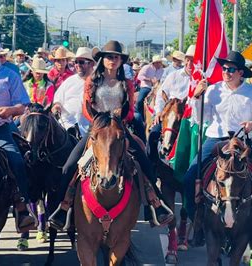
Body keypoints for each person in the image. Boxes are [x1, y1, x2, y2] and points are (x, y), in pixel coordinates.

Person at [48, 40, 173, 230]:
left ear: (121, 61)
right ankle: (62, 208)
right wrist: (99, 119)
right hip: (97, 129)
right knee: (68, 166)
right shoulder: (92, 81)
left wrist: (118, 116)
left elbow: (130, 111)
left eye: (116, 57)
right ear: (103, 60)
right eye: (109, 57)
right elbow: (86, 107)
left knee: (144, 162)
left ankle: (156, 204)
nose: (112, 60)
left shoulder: (126, 83)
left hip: (118, 128)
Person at [183, 51, 252, 223]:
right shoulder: (212, 90)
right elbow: (200, 118)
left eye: (231, 69)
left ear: (241, 72)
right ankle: (194, 217)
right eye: (224, 69)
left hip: (241, 141)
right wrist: (197, 97)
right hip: (215, 139)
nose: (226, 72)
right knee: (189, 176)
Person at [0, 44, 37, 235]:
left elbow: (22, 105)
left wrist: (9, 111)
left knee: (17, 161)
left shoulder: (10, 76)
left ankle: (22, 208)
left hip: (1, 129)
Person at [146, 45, 195, 162]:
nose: (189, 64)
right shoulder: (174, 76)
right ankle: (151, 164)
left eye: (193, 61)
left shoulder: (200, 79)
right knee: (154, 133)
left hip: (189, 117)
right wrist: (158, 112)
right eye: (188, 60)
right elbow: (161, 94)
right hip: (170, 114)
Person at [52, 47, 94, 137]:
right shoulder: (69, 81)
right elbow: (57, 100)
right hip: (64, 126)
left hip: (88, 131)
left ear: (91, 64)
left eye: (81, 62)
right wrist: (57, 106)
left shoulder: (98, 83)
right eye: (76, 62)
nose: (77, 65)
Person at [133, 55, 166, 140]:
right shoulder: (146, 68)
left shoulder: (162, 70)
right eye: (157, 62)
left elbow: (163, 80)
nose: (159, 64)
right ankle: (139, 117)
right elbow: (140, 76)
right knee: (140, 100)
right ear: (154, 63)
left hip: (158, 88)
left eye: (160, 62)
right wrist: (150, 79)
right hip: (146, 87)